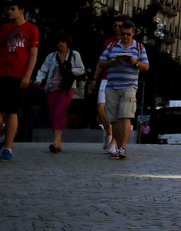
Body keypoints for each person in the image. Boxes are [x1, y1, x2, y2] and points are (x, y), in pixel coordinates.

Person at [0, 3, 40, 162]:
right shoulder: (5, 28)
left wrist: (27, 76)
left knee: (11, 110)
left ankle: (7, 148)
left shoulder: (31, 29)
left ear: (21, 10)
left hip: (17, 74)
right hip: (0, 71)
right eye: (8, 9)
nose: (9, 12)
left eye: (12, 9)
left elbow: (33, 54)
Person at [93, 20, 149, 160]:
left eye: (128, 34)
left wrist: (134, 62)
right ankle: (118, 147)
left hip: (129, 86)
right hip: (112, 85)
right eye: (123, 34)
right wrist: (112, 62)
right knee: (114, 119)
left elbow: (146, 66)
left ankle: (123, 148)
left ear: (133, 33)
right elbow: (101, 62)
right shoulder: (112, 46)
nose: (125, 37)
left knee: (125, 115)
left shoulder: (139, 47)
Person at [33, 32, 85, 153]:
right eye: (58, 42)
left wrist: (70, 70)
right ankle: (58, 142)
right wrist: (38, 80)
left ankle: (55, 141)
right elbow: (43, 70)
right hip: (52, 88)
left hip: (66, 89)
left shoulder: (74, 55)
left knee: (60, 112)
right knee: (53, 114)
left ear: (67, 43)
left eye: (62, 41)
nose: (60, 44)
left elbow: (81, 69)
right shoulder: (51, 56)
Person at [91, 19, 124, 154]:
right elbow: (101, 61)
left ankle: (113, 144)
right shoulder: (108, 42)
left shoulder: (129, 43)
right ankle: (108, 131)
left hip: (120, 80)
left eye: (119, 26)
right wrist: (94, 79)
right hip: (106, 78)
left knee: (116, 113)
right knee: (100, 108)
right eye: (114, 26)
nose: (116, 28)